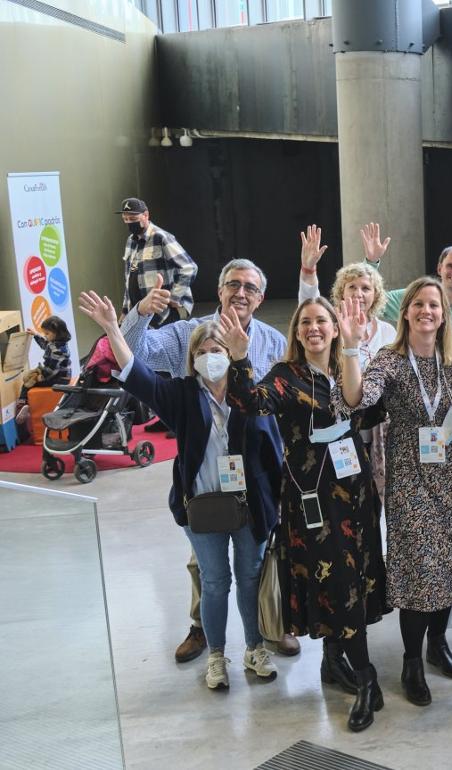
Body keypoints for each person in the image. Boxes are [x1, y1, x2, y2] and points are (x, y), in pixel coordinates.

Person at [78, 291, 283, 691]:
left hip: (251, 506)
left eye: (218, 348)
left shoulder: (251, 395)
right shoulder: (182, 396)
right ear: (192, 360)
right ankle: (217, 656)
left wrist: (278, 501)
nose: (211, 356)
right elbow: (136, 372)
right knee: (213, 582)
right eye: (203, 351)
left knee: (249, 577)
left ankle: (255, 647)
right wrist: (110, 328)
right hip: (204, 508)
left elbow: (274, 451)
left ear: (233, 352)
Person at [118, 259, 302, 663]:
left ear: (261, 298)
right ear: (219, 291)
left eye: (250, 288)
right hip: (204, 481)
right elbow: (138, 356)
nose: (240, 293)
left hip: (253, 475)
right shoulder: (188, 333)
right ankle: (202, 630)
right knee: (207, 566)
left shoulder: (272, 341)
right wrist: (140, 314)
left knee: (257, 561)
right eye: (232, 284)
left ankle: (271, 627)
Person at [222, 296, 389, 732]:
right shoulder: (285, 376)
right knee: (336, 580)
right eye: (306, 323)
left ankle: (335, 662)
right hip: (313, 498)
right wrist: (239, 360)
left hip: (356, 493)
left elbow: (373, 408)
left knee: (357, 577)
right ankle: (367, 678)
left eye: (322, 321)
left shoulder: (348, 368)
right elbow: (250, 403)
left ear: (335, 328)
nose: (314, 328)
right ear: (296, 333)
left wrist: (356, 357)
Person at [342, 276, 452, 710]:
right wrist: (350, 348)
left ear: (444, 315)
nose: (427, 311)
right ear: (404, 312)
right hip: (410, 481)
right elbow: (355, 399)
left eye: (435, 305)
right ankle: (411, 662)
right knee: (419, 571)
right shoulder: (389, 361)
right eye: (418, 304)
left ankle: (437, 643)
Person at [296, 224, 399, 501]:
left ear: (375, 295)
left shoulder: (388, 332)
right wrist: (308, 271)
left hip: (378, 431)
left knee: (375, 502)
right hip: (338, 429)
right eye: (351, 286)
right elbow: (309, 305)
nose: (358, 292)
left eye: (366, 288)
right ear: (341, 293)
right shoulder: (331, 328)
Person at [117, 197, 197, 328]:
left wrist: (174, 297)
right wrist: (125, 311)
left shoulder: (161, 237)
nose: (129, 223)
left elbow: (189, 267)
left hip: (163, 313)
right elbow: (129, 278)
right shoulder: (130, 241)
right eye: (126, 220)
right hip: (142, 312)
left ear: (146, 215)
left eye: (133, 219)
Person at [21, 315, 72, 389]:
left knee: (26, 386)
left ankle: (22, 401)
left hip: (60, 379)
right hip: (55, 375)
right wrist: (35, 334)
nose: (45, 336)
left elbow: (51, 370)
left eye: (47, 334)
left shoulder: (58, 351)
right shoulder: (54, 343)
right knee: (28, 377)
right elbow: (45, 345)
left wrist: (40, 377)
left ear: (57, 333)